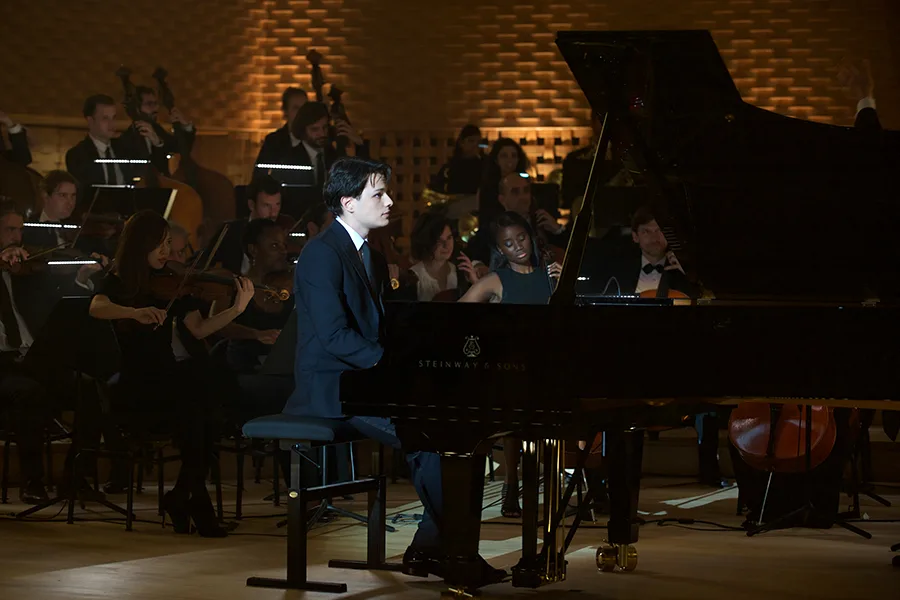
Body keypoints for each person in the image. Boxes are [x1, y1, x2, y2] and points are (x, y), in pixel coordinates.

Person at [288, 156, 505, 583]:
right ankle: (450, 553)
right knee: (433, 437)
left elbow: (380, 328)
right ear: (348, 203)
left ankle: (434, 549)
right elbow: (334, 337)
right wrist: (395, 365)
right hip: (333, 386)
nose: (389, 202)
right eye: (378, 194)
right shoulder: (320, 254)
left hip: (366, 380)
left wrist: (416, 357)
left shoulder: (368, 254)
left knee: (462, 432)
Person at [88, 210, 254, 536]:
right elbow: (96, 307)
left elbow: (201, 328)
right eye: (160, 244)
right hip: (136, 386)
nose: (166, 252)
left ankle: (186, 496)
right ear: (141, 244)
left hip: (170, 383)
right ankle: (188, 500)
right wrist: (134, 312)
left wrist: (237, 308)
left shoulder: (171, 283)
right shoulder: (119, 281)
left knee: (203, 408)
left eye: (168, 244)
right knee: (200, 404)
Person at [459, 211, 561, 516]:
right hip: (509, 366)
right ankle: (512, 482)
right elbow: (455, 314)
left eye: (521, 238)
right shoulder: (497, 279)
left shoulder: (549, 275)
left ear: (531, 237)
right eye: (508, 243)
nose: (517, 246)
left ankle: (549, 484)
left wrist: (562, 284)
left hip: (546, 364)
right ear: (500, 249)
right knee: (513, 409)